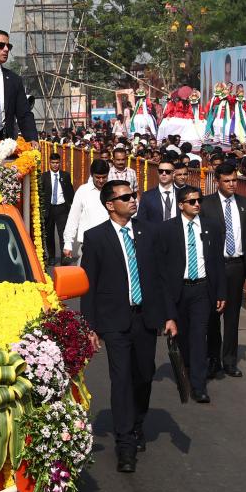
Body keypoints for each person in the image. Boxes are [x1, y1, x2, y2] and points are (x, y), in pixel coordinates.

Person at [81, 180, 176, 472]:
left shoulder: (148, 233)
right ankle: (125, 444)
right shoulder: (96, 237)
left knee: (143, 376)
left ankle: (136, 424)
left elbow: (162, 277)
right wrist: (90, 326)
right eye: (126, 197)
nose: (133, 200)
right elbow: (89, 285)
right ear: (111, 204)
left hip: (146, 318)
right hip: (114, 320)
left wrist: (169, 315)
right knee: (121, 379)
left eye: (133, 195)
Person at [203, 163, 246, 378]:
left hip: (235, 266)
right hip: (214, 267)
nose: (232, 184)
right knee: (213, 315)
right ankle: (213, 359)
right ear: (217, 182)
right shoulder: (206, 205)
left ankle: (230, 361)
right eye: (227, 181)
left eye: (234, 180)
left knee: (232, 317)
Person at [158, 185, 226, 403]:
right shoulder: (167, 229)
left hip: (202, 289)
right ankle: (185, 370)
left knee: (199, 336)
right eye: (192, 201)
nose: (197, 204)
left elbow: (217, 262)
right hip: (178, 290)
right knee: (183, 336)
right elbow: (162, 267)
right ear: (181, 205)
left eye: (199, 200)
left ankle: (198, 386)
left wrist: (221, 292)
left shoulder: (212, 227)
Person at [0, 29, 38, 146]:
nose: (6, 49)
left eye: (8, 46)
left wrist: (32, 138)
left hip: (5, 142)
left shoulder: (14, 79)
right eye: (1, 45)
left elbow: (24, 113)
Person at [62, 159, 111, 263]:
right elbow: (73, 218)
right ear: (92, 175)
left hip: (110, 243)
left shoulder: (113, 190)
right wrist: (68, 243)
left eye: (104, 177)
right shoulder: (83, 191)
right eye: (98, 177)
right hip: (87, 245)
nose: (101, 181)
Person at [39, 152, 74, 266]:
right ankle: (52, 257)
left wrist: (71, 207)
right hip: (49, 208)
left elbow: (70, 192)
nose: (55, 165)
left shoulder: (65, 176)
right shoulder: (44, 176)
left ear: (60, 163)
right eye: (53, 163)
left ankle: (65, 257)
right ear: (49, 163)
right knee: (49, 235)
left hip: (62, 208)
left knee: (63, 233)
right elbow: (41, 193)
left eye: (57, 163)